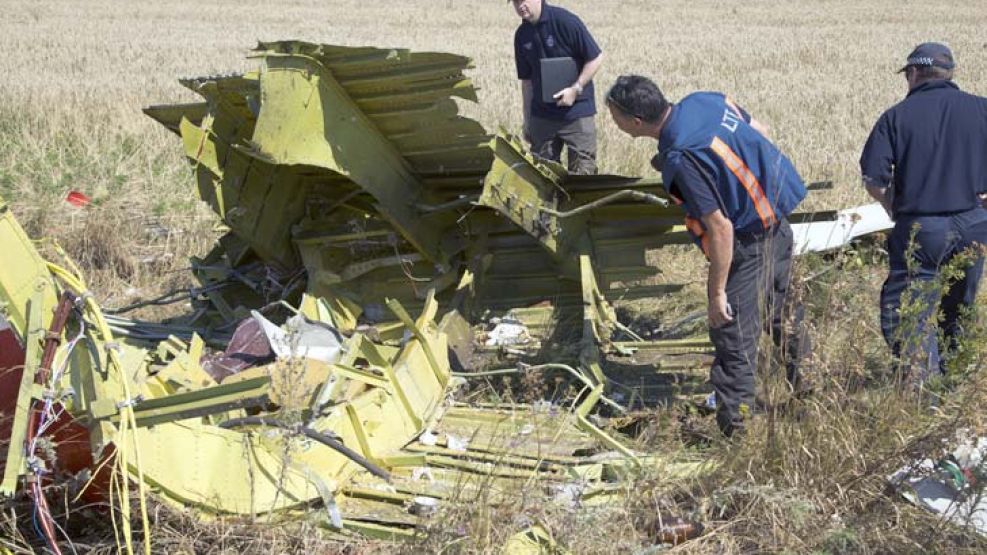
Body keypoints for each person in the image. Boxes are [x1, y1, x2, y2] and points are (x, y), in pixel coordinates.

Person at [606, 75, 810, 436]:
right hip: (779, 225)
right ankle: (809, 397)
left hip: (747, 243)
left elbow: (720, 229)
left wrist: (716, 294)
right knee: (785, 318)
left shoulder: (681, 156)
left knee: (734, 339)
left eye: (615, 117)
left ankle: (737, 432)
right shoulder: (705, 100)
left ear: (635, 122)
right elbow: (759, 130)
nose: (613, 122)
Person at [860, 42, 987, 381]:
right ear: (950, 74)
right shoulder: (981, 109)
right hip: (976, 223)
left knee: (907, 310)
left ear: (914, 73)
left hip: (922, 226)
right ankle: (955, 375)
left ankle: (922, 390)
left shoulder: (895, 117)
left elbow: (874, 179)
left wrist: (893, 209)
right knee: (960, 303)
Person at [510, 0, 603, 174]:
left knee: (583, 175)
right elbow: (527, 81)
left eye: (524, 0)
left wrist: (575, 89)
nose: (520, 5)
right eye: (515, 2)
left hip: (576, 114)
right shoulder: (522, 35)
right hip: (542, 116)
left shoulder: (565, 21)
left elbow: (595, 58)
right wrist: (527, 119)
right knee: (542, 176)